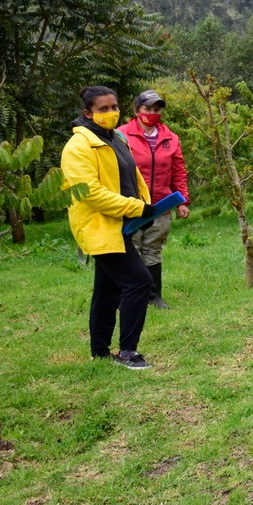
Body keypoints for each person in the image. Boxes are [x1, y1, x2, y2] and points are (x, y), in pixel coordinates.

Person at [61, 86, 156, 369]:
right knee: (139, 281)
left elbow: (132, 177)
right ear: (87, 113)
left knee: (107, 291)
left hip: (121, 224)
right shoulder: (79, 147)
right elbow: (89, 192)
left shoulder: (116, 138)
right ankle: (128, 352)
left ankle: (100, 351)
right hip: (99, 227)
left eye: (114, 107)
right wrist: (135, 207)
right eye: (103, 109)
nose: (111, 113)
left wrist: (145, 207)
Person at [119, 89, 190, 309]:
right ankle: (128, 298)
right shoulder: (121, 135)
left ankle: (154, 296)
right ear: (136, 110)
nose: (152, 113)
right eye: (147, 109)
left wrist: (182, 201)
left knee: (152, 249)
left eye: (156, 109)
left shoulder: (170, 138)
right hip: (130, 204)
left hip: (160, 204)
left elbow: (178, 171)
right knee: (131, 249)